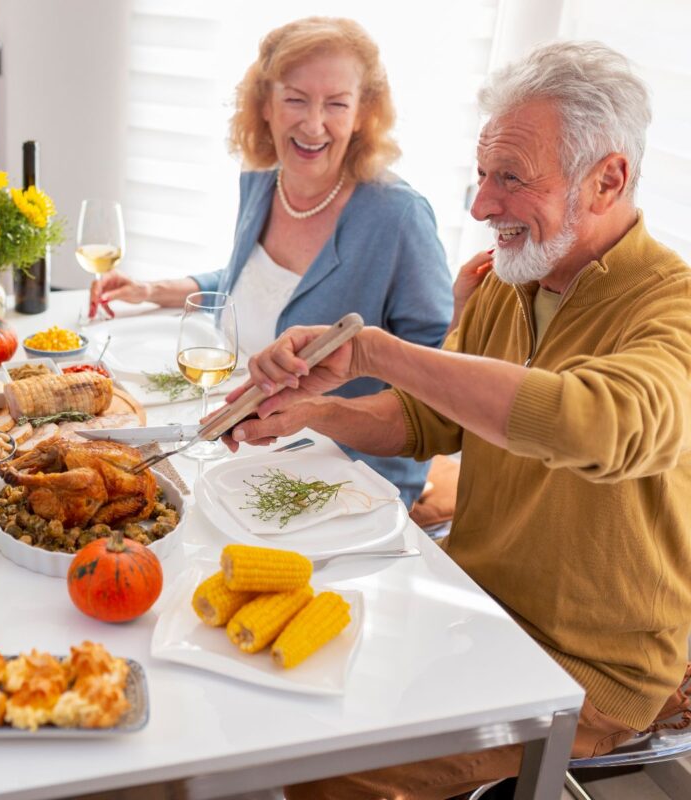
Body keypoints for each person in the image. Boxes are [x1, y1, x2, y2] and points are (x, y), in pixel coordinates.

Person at [221, 41, 691, 799]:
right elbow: (426, 419)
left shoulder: (673, 309)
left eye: (510, 178)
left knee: (320, 771)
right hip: (467, 598)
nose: (479, 206)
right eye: (482, 175)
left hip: (589, 662)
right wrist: (306, 414)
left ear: (607, 180)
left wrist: (379, 349)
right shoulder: (517, 279)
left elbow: (593, 425)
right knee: (260, 694)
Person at [89, 17, 463, 505]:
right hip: (245, 440)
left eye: (336, 104)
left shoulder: (398, 216)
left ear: (362, 113)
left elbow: (431, 373)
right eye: (295, 99)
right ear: (264, 104)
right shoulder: (264, 180)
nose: (313, 124)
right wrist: (151, 290)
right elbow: (256, 280)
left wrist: (322, 410)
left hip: (341, 472)